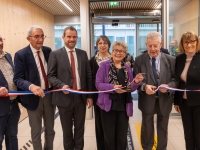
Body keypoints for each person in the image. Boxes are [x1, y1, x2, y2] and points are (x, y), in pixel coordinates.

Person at [47, 26, 93, 150]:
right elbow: (50, 76)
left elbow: (88, 76)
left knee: (79, 129)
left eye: (74, 37)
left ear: (77, 38)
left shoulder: (83, 54)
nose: (71, 39)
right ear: (63, 37)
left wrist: (89, 96)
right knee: (67, 131)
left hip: (80, 98)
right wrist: (62, 85)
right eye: (69, 37)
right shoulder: (55, 54)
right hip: (63, 99)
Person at [96, 41, 144, 150]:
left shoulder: (126, 68)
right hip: (108, 106)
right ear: (112, 52)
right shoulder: (104, 65)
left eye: (121, 51)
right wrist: (113, 88)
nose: (118, 53)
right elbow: (98, 84)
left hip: (123, 106)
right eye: (116, 50)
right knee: (109, 136)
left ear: (125, 53)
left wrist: (136, 81)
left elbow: (130, 88)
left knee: (122, 136)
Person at [13, 25, 55, 150]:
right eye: (37, 36)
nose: (40, 39)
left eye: (42, 36)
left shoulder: (48, 51)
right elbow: (17, 79)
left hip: (49, 96)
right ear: (28, 38)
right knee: (36, 132)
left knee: (50, 130)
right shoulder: (21, 55)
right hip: (33, 99)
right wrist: (31, 86)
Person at [134, 31, 177, 150]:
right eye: (150, 45)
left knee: (163, 128)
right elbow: (135, 80)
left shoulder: (171, 60)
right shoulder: (139, 60)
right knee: (147, 128)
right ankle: (147, 147)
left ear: (160, 44)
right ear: (146, 45)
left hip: (165, 99)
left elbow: (176, 79)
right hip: (147, 99)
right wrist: (143, 86)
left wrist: (168, 86)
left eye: (155, 45)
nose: (152, 49)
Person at [174, 31, 200, 150]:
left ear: (197, 42)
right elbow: (178, 81)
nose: (189, 45)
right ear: (182, 44)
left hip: (199, 102)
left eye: (192, 41)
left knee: (198, 134)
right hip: (184, 102)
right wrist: (176, 101)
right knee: (188, 133)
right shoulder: (179, 58)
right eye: (186, 42)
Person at [89, 35, 111, 150]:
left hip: (112, 97)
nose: (103, 45)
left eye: (105, 43)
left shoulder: (115, 59)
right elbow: (90, 79)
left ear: (109, 45)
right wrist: (91, 97)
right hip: (98, 98)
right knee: (99, 124)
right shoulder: (92, 61)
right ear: (97, 45)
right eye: (100, 43)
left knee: (111, 124)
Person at [0, 35, 20, 150]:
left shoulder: (8, 56)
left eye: (1, 40)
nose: (0, 43)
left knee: (12, 137)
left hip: (13, 105)